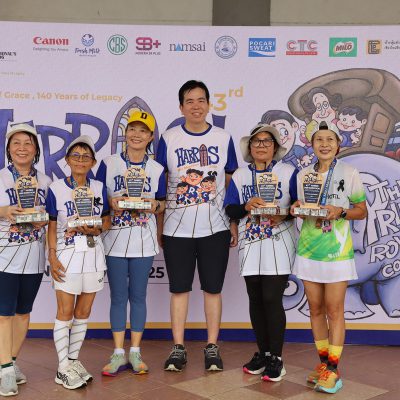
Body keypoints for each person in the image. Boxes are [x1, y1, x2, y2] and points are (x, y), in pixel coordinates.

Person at [156, 80, 238, 372]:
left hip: (215, 227)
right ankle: (178, 347)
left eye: (201, 100)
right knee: (179, 289)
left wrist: (233, 222)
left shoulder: (223, 137)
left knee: (213, 289)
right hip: (176, 228)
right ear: (181, 107)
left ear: (208, 104)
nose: (196, 106)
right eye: (189, 101)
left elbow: (230, 182)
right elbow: (161, 184)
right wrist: (160, 224)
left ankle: (212, 346)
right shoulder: (168, 138)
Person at [290, 121, 367, 394]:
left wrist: (341, 211)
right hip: (308, 250)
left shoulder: (349, 172)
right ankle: (323, 364)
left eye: (330, 140)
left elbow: (362, 211)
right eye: (319, 140)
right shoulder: (303, 174)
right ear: (312, 145)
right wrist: (297, 208)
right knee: (315, 310)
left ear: (338, 145)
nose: (324, 144)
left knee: (334, 311)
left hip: (337, 252)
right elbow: (304, 208)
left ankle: (333, 370)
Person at [224, 123, 298, 382]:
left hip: (279, 240)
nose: (262, 145)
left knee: (271, 298)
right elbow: (230, 209)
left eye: (268, 141)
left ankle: (277, 358)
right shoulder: (240, 175)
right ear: (250, 147)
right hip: (250, 241)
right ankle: (264, 354)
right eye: (257, 141)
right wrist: (246, 206)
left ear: (275, 147)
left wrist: (283, 213)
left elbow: (299, 206)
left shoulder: (288, 172)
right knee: (255, 298)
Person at [96, 111, 166, 376]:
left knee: (138, 296)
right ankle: (117, 353)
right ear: (126, 133)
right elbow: (97, 198)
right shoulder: (109, 163)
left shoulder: (156, 169)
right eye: (133, 129)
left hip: (143, 239)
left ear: (150, 137)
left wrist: (152, 204)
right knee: (118, 296)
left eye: (143, 130)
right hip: (114, 238)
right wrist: (110, 202)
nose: (137, 134)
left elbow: (162, 204)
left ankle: (135, 352)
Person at [46, 135, 111, 390]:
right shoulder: (56, 188)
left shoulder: (99, 187)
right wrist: (52, 255)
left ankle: (72, 362)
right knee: (65, 313)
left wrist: (97, 228)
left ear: (93, 162)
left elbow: (107, 220)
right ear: (67, 160)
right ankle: (62, 368)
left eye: (86, 157)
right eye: (76, 156)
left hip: (94, 254)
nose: (80, 160)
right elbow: (52, 225)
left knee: (83, 313)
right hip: (67, 254)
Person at [0, 123, 51, 397]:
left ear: (36, 150)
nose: (22, 148)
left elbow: (53, 217)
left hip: (34, 257)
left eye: (28, 143)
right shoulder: (0, 178)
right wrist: (4, 210)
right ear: (9, 149)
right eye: (16, 143)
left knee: (23, 313)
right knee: (3, 315)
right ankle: (5, 370)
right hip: (4, 257)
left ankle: (11, 362)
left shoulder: (46, 181)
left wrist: (44, 219)